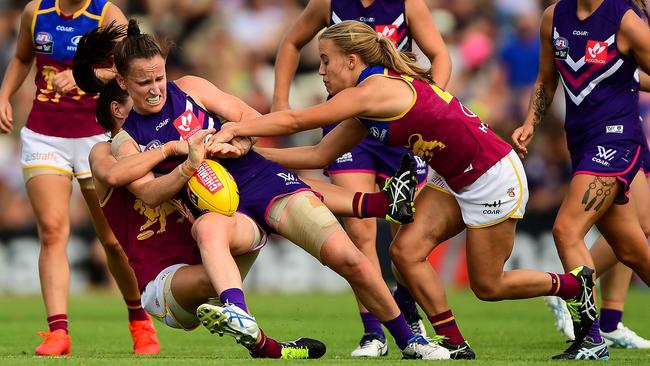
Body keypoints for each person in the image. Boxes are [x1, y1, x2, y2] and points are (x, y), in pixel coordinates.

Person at [208, 20, 599, 361]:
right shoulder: (366, 103)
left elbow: (294, 119)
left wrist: (237, 128)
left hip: (491, 175)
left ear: (351, 60)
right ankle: (455, 345)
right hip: (452, 176)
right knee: (404, 253)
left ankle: (571, 285)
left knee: (487, 286)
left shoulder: (373, 90)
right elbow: (319, 152)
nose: (322, 70)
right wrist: (250, 155)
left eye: (326, 60)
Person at [73, 20, 450, 360]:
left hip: (260, 180)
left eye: (159, 78)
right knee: (206, 229)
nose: (156, 89)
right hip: (222, 208)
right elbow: (150, 193)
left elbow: (251, 119)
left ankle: (410, 341)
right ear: (122, 83)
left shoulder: (191, 89)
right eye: (144, 83)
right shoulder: (127, 139)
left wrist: (239, 142)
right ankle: (238, 311)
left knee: (349, 258)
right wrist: (187, 163)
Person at [85, 80, 327, 359]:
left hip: (201, 253)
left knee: (254, 219)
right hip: (163, 282)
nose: (152, 97)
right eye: (137, 94)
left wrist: (231, 143)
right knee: (218, 278)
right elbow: (115, 175)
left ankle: (270, 348)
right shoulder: (102, 151)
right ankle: (248, 325)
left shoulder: (165, 140)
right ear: (117, 109)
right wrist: (172, 150)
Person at [272, 0, 455, 357]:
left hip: (396, 124)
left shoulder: (408, 4)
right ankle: (373, 333)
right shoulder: (327, 3)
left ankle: (407, 310)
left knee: (407, 235)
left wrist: (425, 104)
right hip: (347, 123)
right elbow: (291, 42)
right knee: (359, 228)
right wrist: (280, 101)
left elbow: (439, 55)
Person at [0, 0, 159, 356]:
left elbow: (127, 73)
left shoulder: (107, 14)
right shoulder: (35, 12)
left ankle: (139, 321)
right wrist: (3, 95)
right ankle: (58, 331)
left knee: (113, 240)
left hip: (95, 138)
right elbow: (23, 58)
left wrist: (86, 76)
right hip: (44, 135)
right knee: (53, 231)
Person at [512, 0, 650, 359]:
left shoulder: (626, 19)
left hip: (617, 139)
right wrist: (530, 123)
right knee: (633, 249)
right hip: (582, 142)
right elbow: (545, 79)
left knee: (566, 229)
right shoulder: (553, 16)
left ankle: (590, 339)